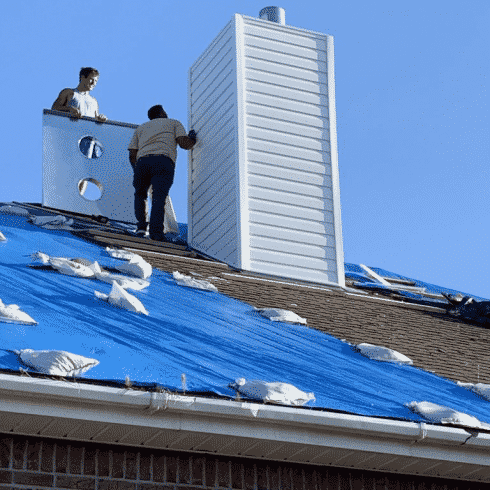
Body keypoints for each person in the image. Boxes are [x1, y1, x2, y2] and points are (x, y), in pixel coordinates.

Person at [127, 105, 196, 241]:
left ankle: (141, 228)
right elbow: (184, 144)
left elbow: (132, 153)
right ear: (163, 113)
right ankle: (156, 233)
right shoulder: (173, 123)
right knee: (159, 197)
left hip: (142, 162)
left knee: (140, 195)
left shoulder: (141, 128)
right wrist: (192, 139)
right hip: (163, 161)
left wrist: (137, 170)